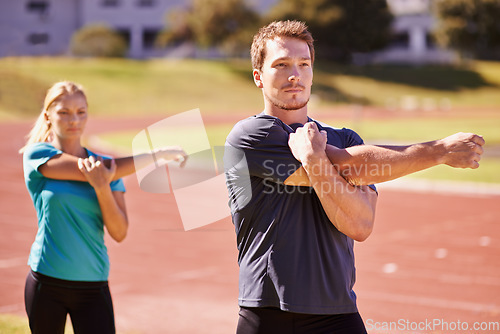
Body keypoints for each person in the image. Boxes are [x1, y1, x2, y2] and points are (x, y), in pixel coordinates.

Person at [224, 20, 485, 334]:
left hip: (338, 313)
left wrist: (313, 157)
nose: (295, 75)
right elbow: (353, 168)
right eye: (281, 64)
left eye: (303, 64)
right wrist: (439, 151)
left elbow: (360, 225)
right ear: (258, 77)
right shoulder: (250, 136)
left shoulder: (345, 139)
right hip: (268, 312)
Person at [20, 81, 187, 334]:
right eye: (64, 112)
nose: (73, 119)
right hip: (47, 281)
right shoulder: (37, 155)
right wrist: (157, 155)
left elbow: (119, 232)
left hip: (93, 284)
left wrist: (102, 188)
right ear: (48, 116)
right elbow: (99, 170)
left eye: (81, 111)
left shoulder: (109, 169)